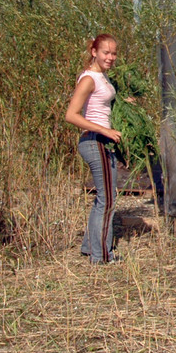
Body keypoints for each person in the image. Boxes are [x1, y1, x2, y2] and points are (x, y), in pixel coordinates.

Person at [64, 33, 124, 264]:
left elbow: (102, 104)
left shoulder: (103, 77)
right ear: (94, 52)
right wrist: (105, 130)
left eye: (113, 53)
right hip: (94, 140)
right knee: (108, 199)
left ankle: (91, 247)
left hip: (101, 141)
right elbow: (71, 115)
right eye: (105, 53)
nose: (110, 57)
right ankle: (101, 257)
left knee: (103, 197)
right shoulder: (89, 79)